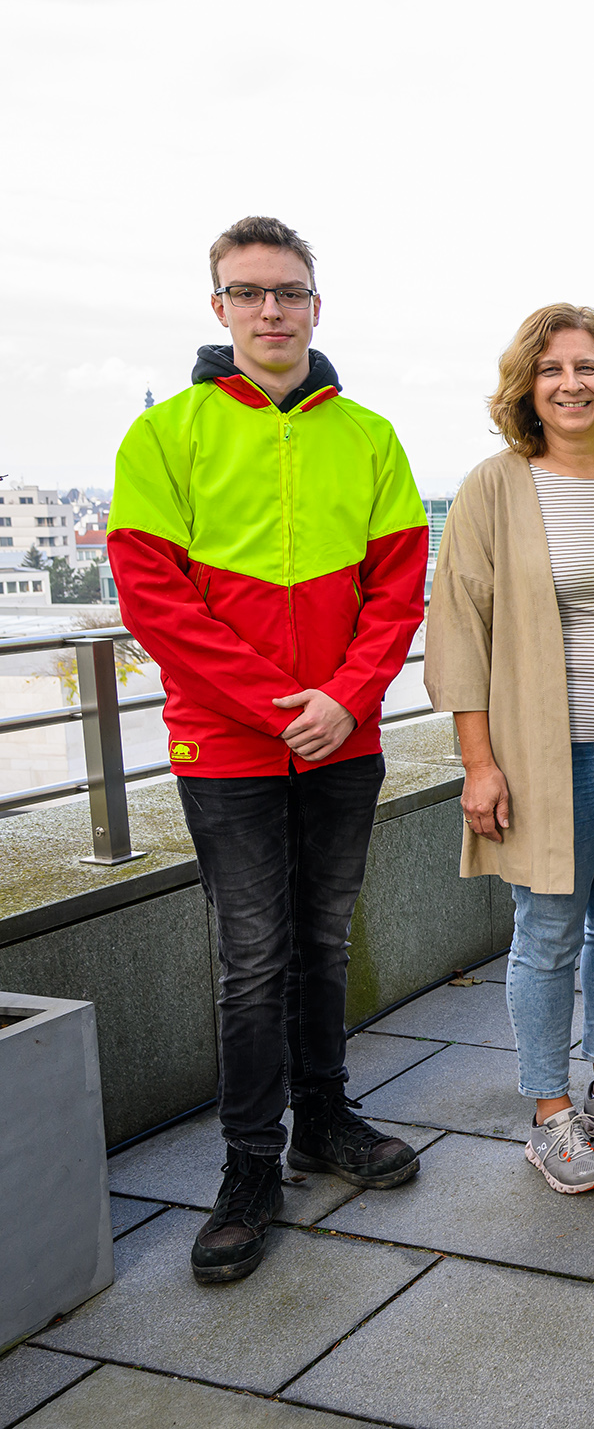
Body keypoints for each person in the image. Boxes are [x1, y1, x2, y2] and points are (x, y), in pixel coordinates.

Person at [109, 216, 427, 1283]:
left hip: (345, 740)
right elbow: (154, 597)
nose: (271, 310)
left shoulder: (370, 436)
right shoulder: (165, 436)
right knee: (253, 961)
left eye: (287, 291)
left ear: (316, 304)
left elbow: (396, 589)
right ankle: (248, 1165)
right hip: (227, 745)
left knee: (325, 942)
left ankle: (323, 1121)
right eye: (248, 293)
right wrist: (273, 703)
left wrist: (342, 699)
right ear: (219, 309)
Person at [425, 304, 594, 1195]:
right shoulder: (495, 486)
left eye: (589, 367)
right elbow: (457, 630)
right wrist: (478, 762)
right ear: (529, 385)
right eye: (553, 369)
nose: (573, 384)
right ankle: (548, 1114)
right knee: (548, 934)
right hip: (546, 754)